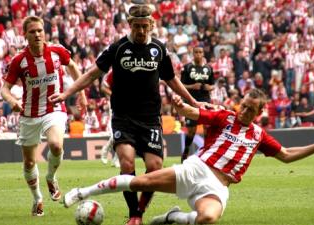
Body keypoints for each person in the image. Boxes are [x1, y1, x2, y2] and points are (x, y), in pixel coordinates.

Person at [60, 89, 314, 225]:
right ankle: (81, 192)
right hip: (197, 169)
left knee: (208, 219)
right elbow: (195, 114)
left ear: (258, 113)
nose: (243, 111)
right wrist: (182, 107)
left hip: (218, 187)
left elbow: (286, 155)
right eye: (242, 105)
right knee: (139, 182)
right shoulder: (224, 117)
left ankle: (171, 218)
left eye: (249, 109)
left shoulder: (258, 134)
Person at [48, 4, 202, 225]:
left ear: (151, 25)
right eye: (137, 26)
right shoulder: (118, 48)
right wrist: (67, 93)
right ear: (129, 24)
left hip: (150, 118)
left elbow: (171, 79)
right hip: (124, 116)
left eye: (145, 27)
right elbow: (93, 73)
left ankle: (140, 209)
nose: (141, 31)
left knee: (155, 167)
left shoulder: (159, 49)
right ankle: (134, 215)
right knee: (127, 164)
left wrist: (192, 100)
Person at [0, 16, 87, 216]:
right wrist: (12, 101)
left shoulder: (57, 52)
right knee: (29, 162)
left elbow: (73, 67)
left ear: (44, 32)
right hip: (29, 114)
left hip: (53, 108)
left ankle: (51, 177)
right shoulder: (18, 61)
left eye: (40, 30)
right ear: (25, 35)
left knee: (56, 145)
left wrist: (80, 92)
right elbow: (5, 88)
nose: (37, 34)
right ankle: (37, 198)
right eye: (33, 31)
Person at [180, 46, 214, 162]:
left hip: (205, 101)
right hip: (191, 101)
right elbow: (181, 85)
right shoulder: (187, 68)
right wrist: (192, 86)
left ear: (203, 53)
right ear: (193, 53)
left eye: (200, 52)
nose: (198, 54)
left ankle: (206, 154)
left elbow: (212, 85)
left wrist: (208, 87)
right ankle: (185, 152)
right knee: (191, 131)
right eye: (196, 52)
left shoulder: (209, 68)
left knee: (207, 128)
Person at [99, 70, 120, 168]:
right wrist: (115, 96)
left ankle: (116, 159)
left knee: (124, 134)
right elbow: (103, 87)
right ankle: (105, 149)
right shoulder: (114, 71)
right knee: (116, 134)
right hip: (116, 106)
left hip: (130, 106)